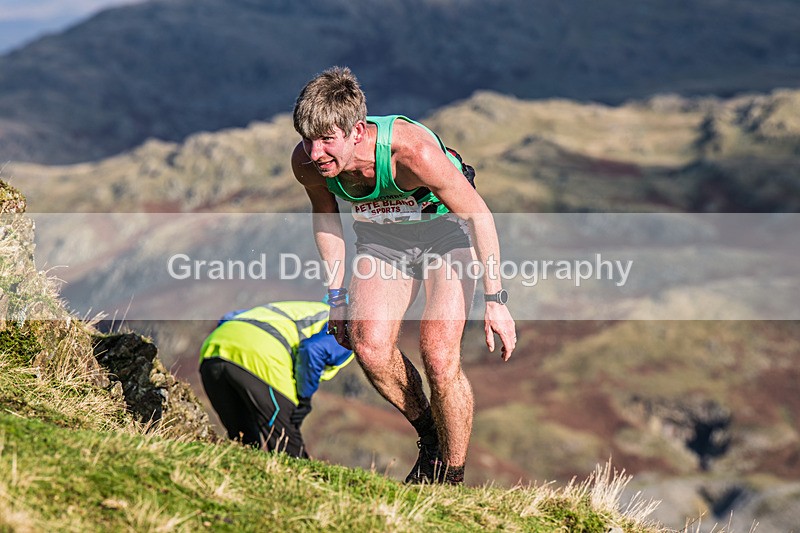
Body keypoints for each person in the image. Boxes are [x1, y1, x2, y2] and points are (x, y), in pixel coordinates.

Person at [290, 66, 517, 484]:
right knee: (369, 346)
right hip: (382, 240)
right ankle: (432, 439)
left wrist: (496, 301)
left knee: (438, 352)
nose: (315, 152)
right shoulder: (307, 163)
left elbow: (479, 215)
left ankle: (450, 478)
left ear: (357, 131)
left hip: (445, 232)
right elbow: (326, 219)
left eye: (327, 140)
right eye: (308, 139)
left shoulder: (411, 152)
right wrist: (336, 298)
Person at [199, 301, 353, 458]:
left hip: (213, 350)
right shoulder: (353, 325)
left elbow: (228, 317)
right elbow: (313, 349)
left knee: (243, 442)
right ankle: (299, 481)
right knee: (288, 447)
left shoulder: (305, 309)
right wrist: (304, 398)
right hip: (260, 356)